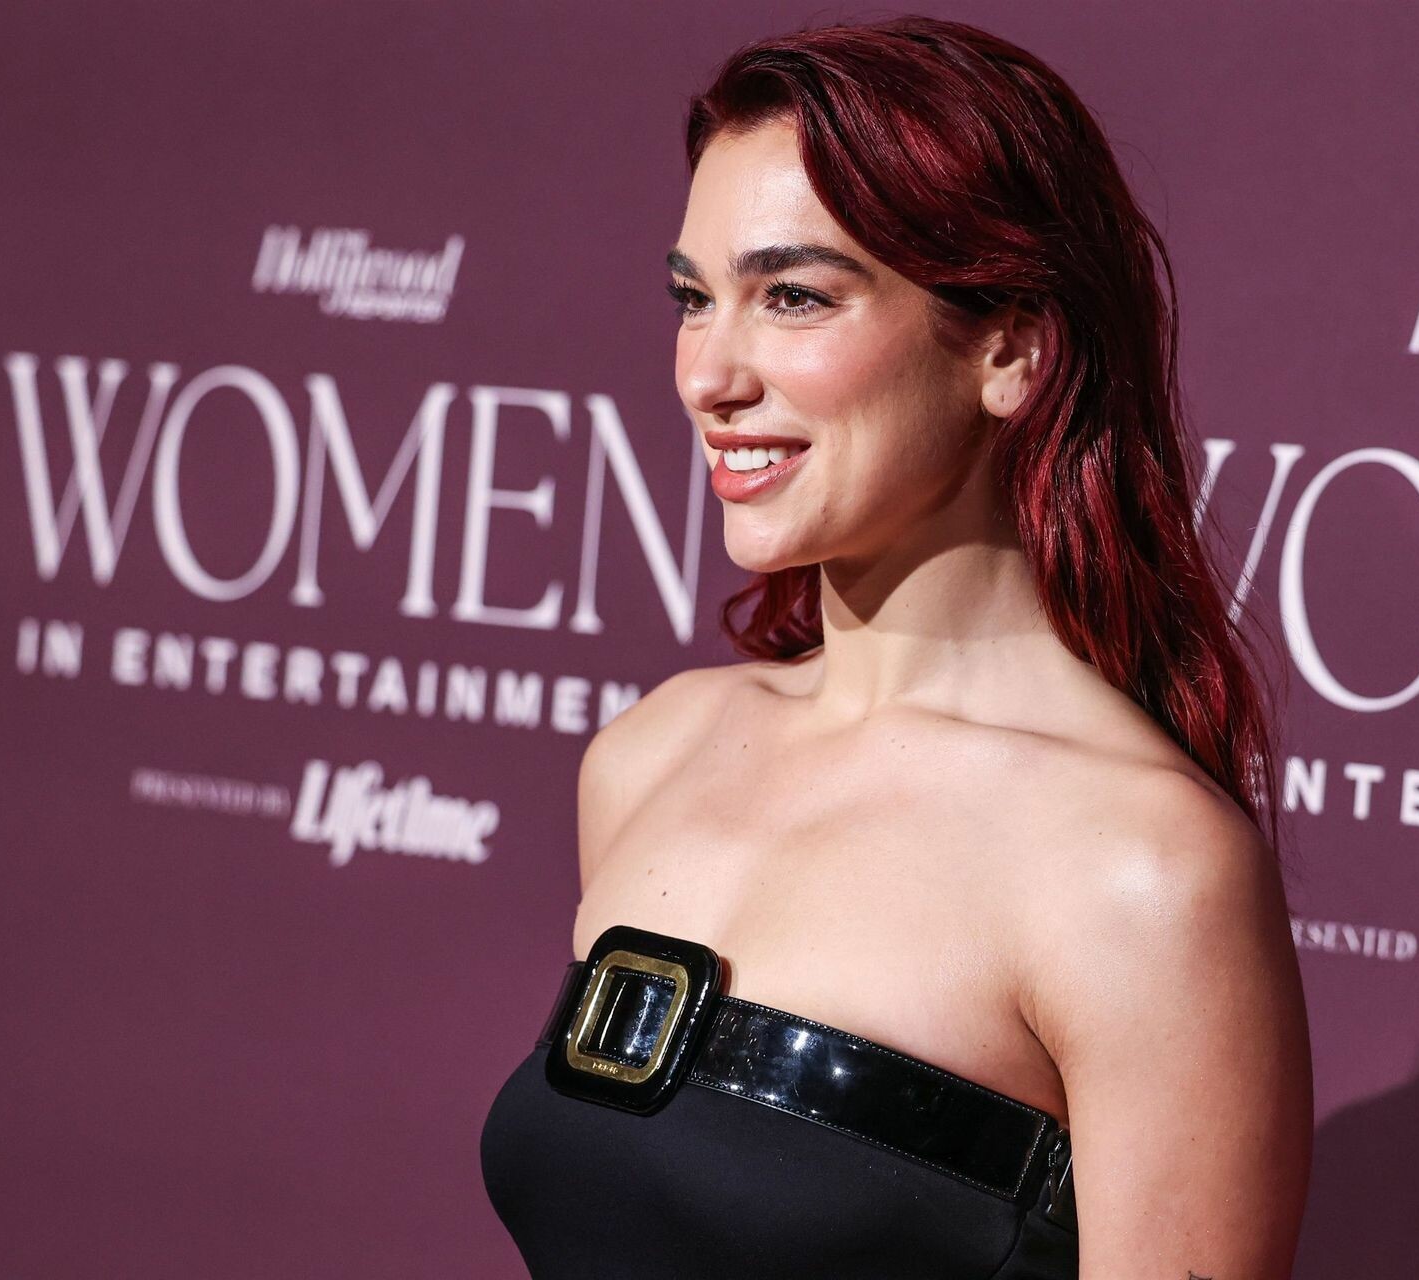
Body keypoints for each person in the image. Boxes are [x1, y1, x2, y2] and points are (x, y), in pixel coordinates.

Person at [480, 15, 1312, 1278]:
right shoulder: (653, 755)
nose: (709, 374)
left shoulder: (1140, 872)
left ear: (1012, 347)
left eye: (794, 297)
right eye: (695, 299)